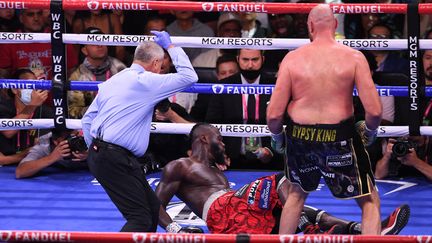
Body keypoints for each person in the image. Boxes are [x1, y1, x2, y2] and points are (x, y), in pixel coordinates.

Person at [156, 123, 410, 235]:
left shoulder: (215, 170)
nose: (222, 142)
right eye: (218, 137)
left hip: (243, 220)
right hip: (223, 212)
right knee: (287, 182)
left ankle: (363, 230)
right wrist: (174, 228)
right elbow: (153, 202)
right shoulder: (181, 165)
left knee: (303, 210)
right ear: (202, 138)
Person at [266, 5, 383, 235]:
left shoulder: (292, 59)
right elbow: (375, 111)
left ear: (310, 26)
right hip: (338, 137)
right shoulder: (353, 57)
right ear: (336, 25)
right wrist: (369, 133)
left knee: (296, 194)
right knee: (369, 200)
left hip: (299, 136)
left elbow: (273, 114)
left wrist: (277, 138)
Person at [81, 31, 198, 232]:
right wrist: (171, 47)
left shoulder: (112, 81)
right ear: (155, 63)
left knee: (149, 209)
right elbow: (189, 76)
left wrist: (96, 149)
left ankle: (175, 230)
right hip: (113, 156)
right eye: (160, 67)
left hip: (107, 154)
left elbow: (87, 120)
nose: (160, 71)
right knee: (141, 219)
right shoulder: (147, 81)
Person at [206, 49, 282, 170]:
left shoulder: (276, 85)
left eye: (255, 60)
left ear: (263, 59)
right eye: (245, 60)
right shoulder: (224, 86)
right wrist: (220, 154)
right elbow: (212, 123)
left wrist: (270, 150)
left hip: (272, 161)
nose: (250, 65)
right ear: (238, 60)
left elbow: (285, 122)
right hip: (232, 161)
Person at [68, 27, 126, 119]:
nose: (99, 45)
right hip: (89, 124)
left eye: (102, 41)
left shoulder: (120, 68)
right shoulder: (77, 76)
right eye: (94, 42)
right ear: (84, 50)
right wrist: (97, 110)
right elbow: (74, 111)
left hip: (117, 120)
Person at [0, 69, 52, 166]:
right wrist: (32, 106)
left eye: (34, 86)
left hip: (31, 165)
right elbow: (8, 131)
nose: (32, 90)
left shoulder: (45, 111)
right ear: (15, 89)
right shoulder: (3, 107)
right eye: (28, 86)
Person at [15, 129, 88, 179]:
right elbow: (20, 172)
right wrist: (52, 157)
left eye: (76, 136)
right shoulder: (44, 145)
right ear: (56, 141)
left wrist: (91, 155)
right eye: (70, 138)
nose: (75, 141)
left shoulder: (87, 137)